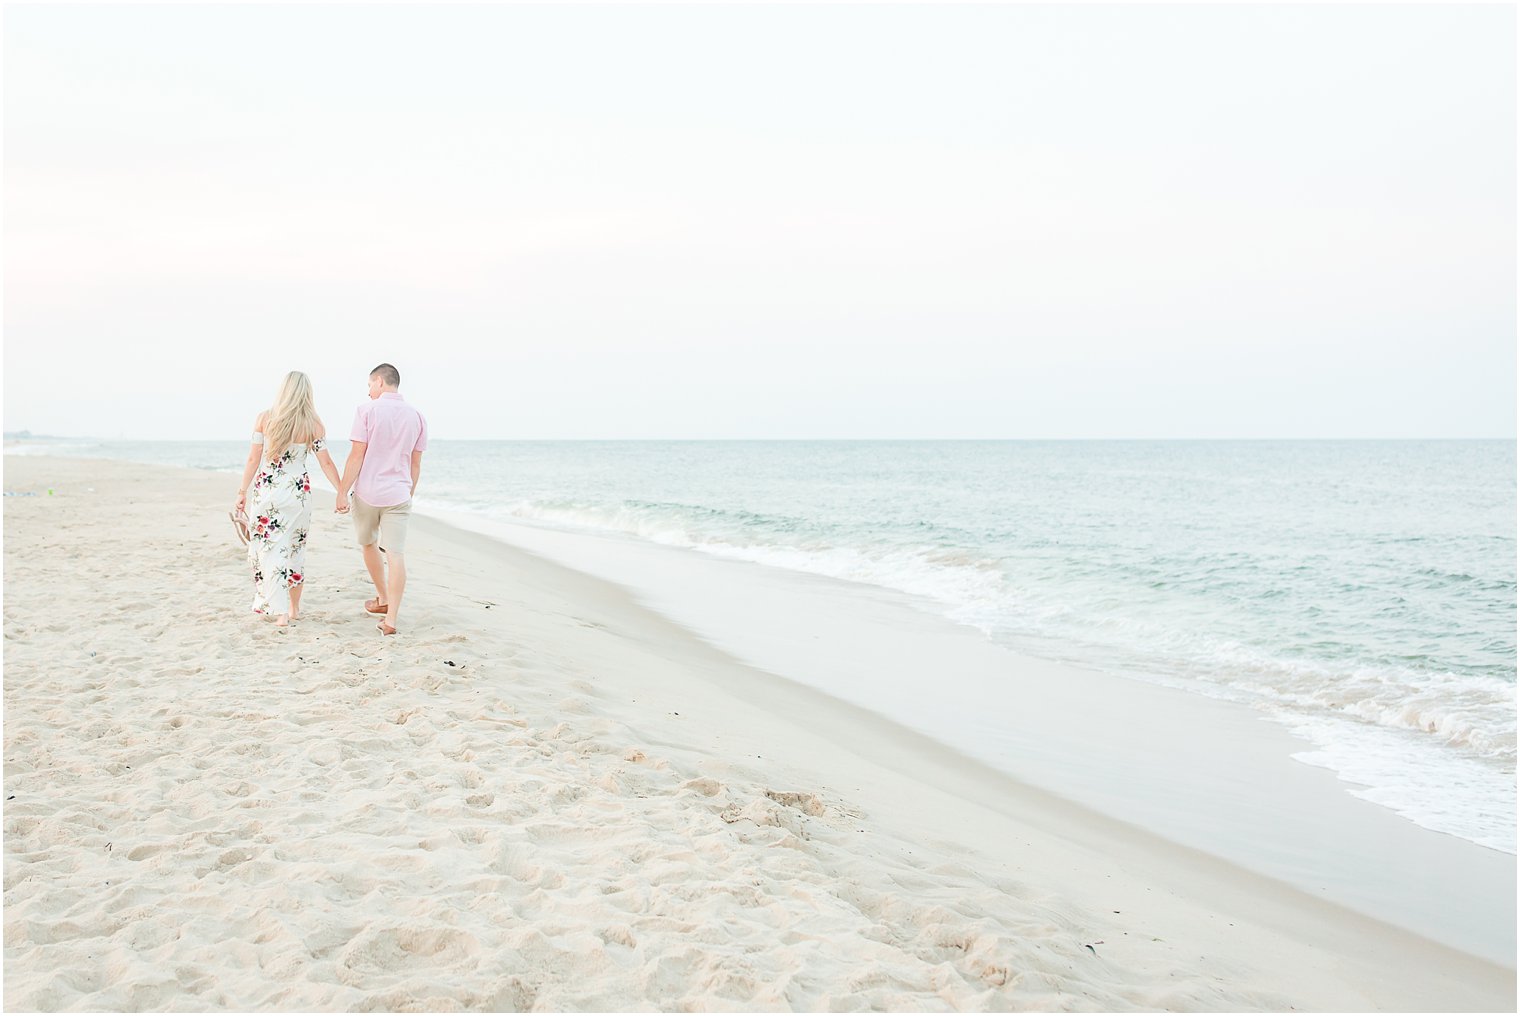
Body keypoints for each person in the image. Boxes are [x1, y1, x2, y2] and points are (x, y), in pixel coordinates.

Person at [235, 371, 348, 627]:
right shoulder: (314, 425)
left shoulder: (264, 419)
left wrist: (242, 491)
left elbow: (254, 459)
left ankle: (280, 612)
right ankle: (294, 608)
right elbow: (326, 462)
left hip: (268, 492)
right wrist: (341, 491)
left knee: (269, 550)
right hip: (298, 494)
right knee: (295, 548)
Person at [339, 362, 428, 635]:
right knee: (396, 554)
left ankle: (383, 596)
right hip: (399, 494)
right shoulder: (417, 416)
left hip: (367, 492)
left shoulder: (366, 411)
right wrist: (408, 493)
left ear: (379, 381)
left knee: (368, 543)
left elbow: (357, 456)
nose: (368, 392)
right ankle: (391, 619)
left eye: (369, 385)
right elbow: (415, 464)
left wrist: (342, 491)